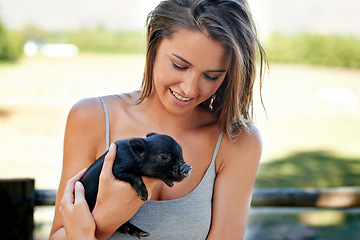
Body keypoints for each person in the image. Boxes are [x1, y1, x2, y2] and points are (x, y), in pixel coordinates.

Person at [49, 0, 267, 239]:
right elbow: (59, 234)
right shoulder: (91, 117)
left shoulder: (237, 140)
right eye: (179, 65)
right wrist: (105, 220)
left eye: (211, 75)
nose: (190, 88)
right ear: (153, 44)